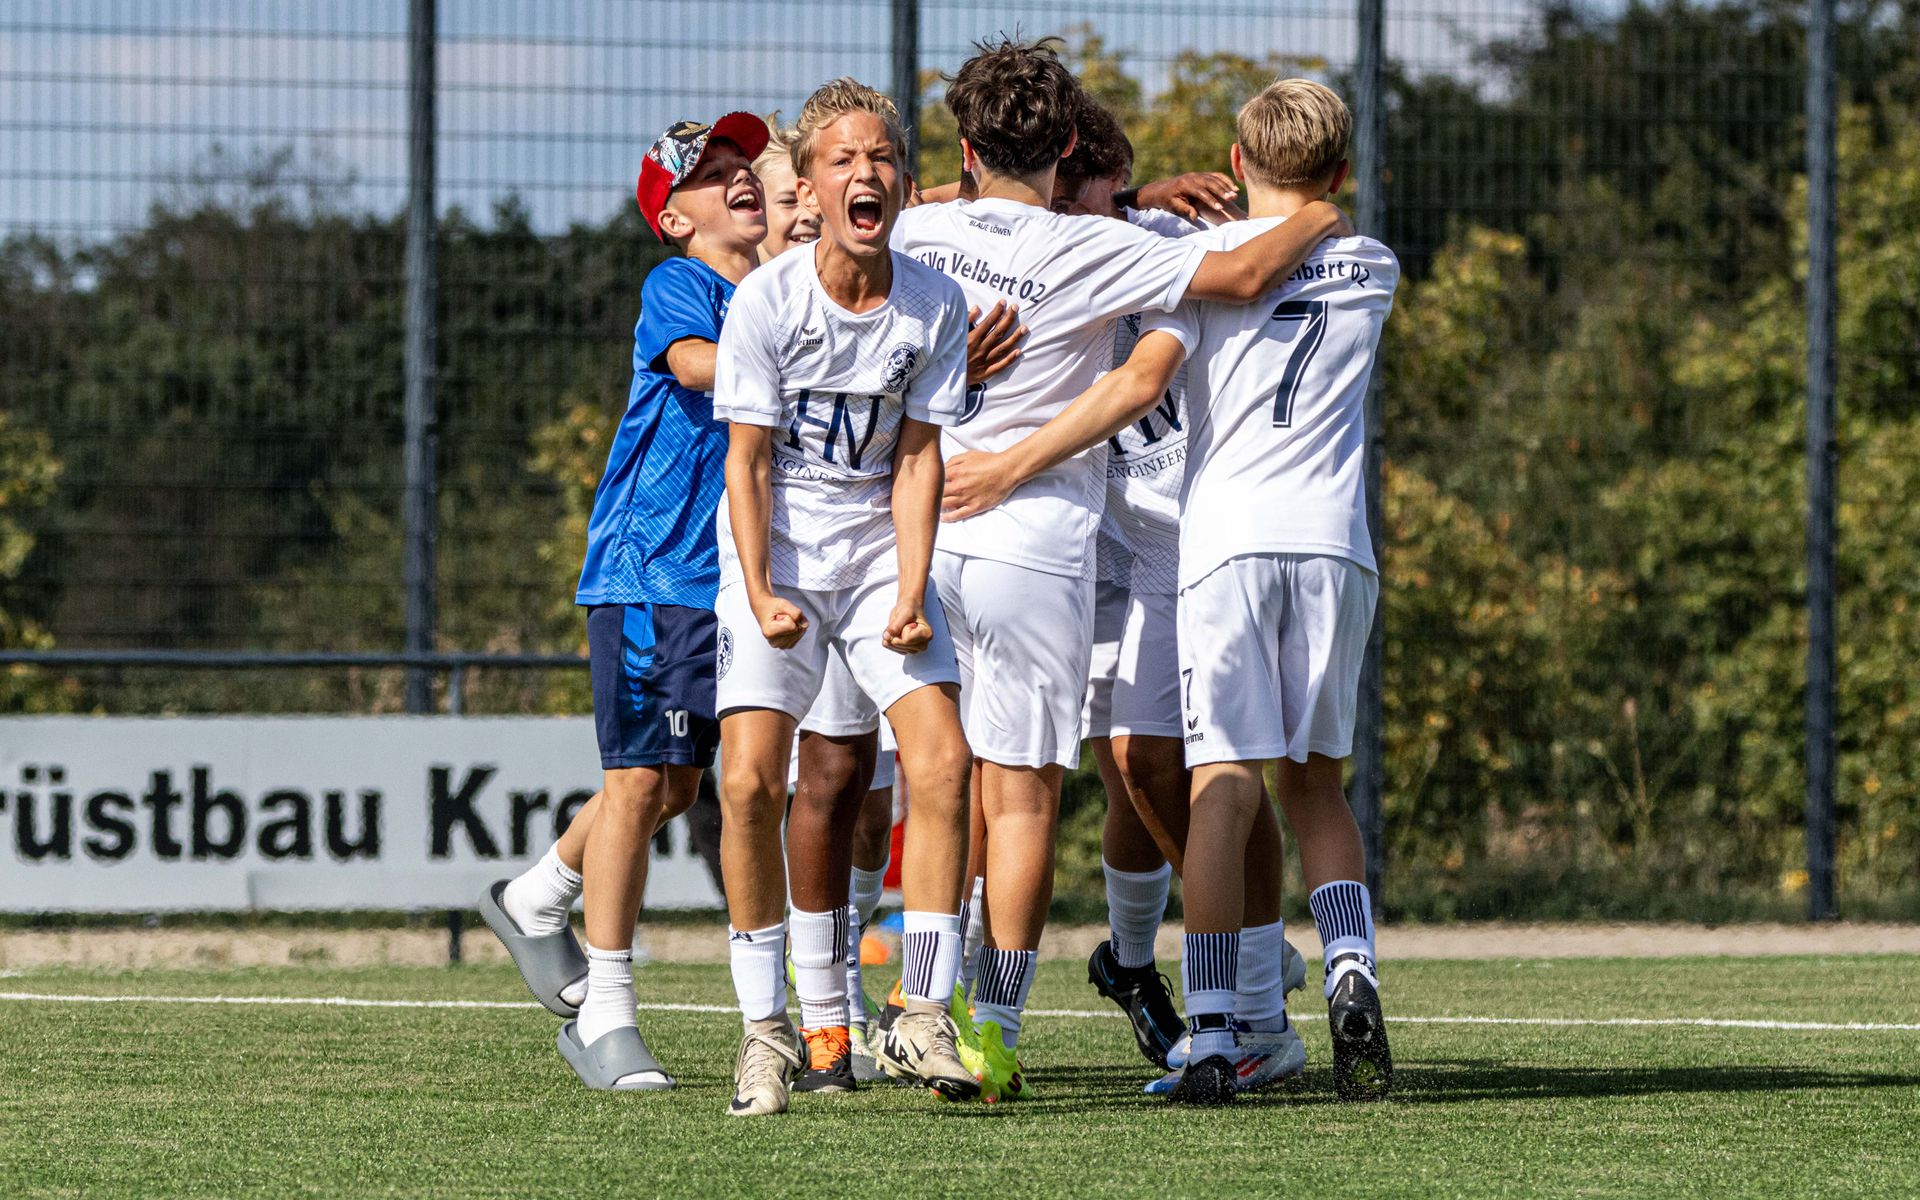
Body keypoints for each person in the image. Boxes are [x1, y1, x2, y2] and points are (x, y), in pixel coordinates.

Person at [889, 37, 1346, 1099]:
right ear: (1061, 155)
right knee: (1008, 791)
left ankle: (1205, 983)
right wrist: (1321, 205)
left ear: (962, 147)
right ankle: (975, 1021)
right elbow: (1231, 270)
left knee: (1028, 771)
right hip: (1031, 536)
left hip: (984, 540)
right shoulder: (1096, 244)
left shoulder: (941, 229)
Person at [479, 113, 771, 1092]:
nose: (740, 178)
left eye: (744, 164)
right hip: (650, 576)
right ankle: (604, 1017)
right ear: (673, 218)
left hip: (721, 584)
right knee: (645, 784)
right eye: (714, 173)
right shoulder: (682, 287)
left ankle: (537, 893)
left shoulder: (782, 291)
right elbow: (696, 364)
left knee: (676, 786)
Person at [711, 78, 980, 1116]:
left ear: (903, 184)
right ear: (811, 188)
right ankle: (769, 1031)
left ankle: (921, 1015)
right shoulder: (766, 302)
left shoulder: (933, 302)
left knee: (943, 760)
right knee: (747, 784)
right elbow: (748, 464)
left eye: (882, 159)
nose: (865, 174)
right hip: (779, 559)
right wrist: (765, 588)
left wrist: (910, 590)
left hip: (876, 564)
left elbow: (919, 460)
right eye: (842, 160)